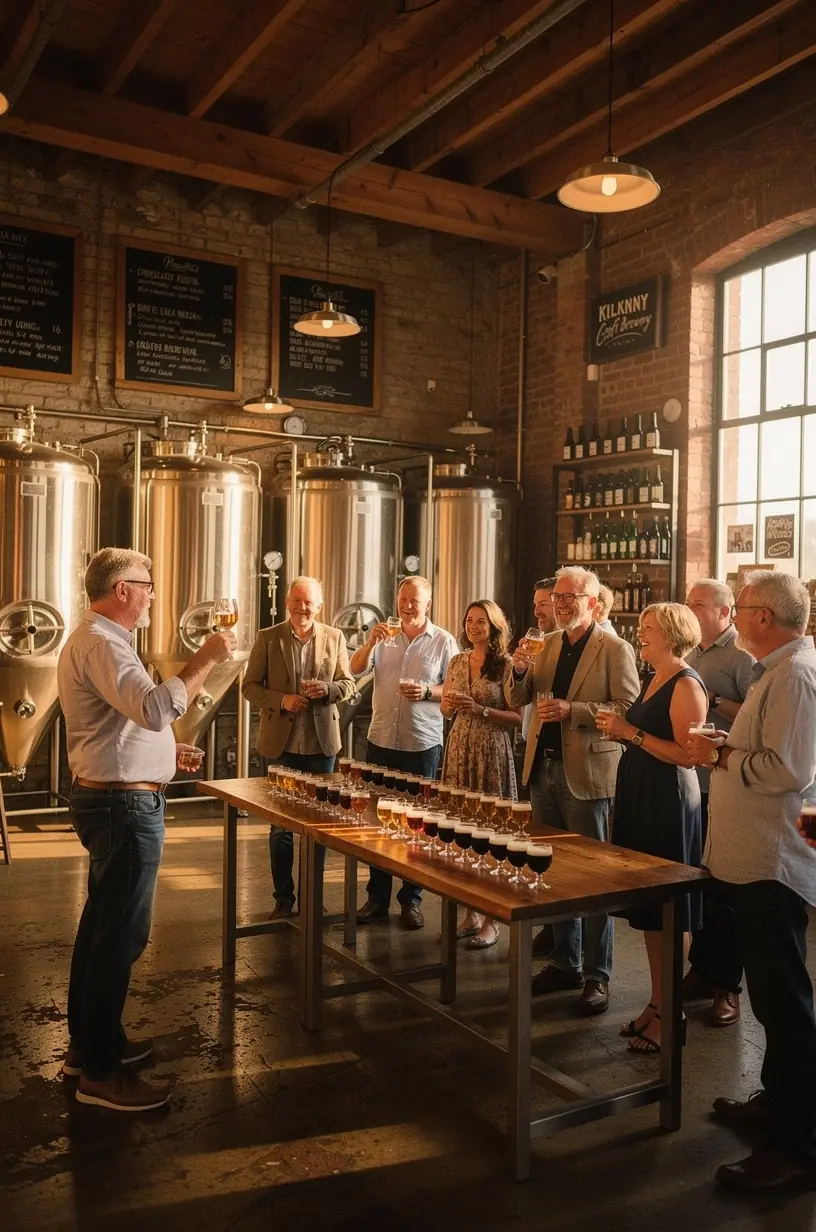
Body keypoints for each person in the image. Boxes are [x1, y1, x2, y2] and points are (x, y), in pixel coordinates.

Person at [58, 548, 236, 1112]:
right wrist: (205, 657)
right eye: (148, 584)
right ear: (122, 590)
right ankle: (102, 1077)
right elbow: (156, 707)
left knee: (98, 927)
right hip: (123, 810)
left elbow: (128, 721)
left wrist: (164, 750)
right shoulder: (105, 643)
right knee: (120, 937)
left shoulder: (101, 642)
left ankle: (90, 1048)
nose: (155, 594)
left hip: (113, 799)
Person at [687, 571, 816, 1196]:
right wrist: (730, 744)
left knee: (786, 1005)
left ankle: (799, 1147)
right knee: (770, 999)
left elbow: (788, 770)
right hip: (751, 857)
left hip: (773, 862)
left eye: (740, 608)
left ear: (764, 616)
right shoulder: (777, 669)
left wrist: (721, 755)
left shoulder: (793, 675)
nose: (735, 618)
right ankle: (778, 1104)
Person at [508, 566, 640, 1016]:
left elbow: (627, 707)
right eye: (557, 597)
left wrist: (574, 710)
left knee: (595, 878)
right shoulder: (545, 644)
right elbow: (518, 699)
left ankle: (596, 975)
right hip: (542, 773)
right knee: (553, 872)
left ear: (593, 602)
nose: (561, 604)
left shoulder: (614, 648)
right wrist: (520, 671)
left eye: (571, 597)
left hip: (586, 775)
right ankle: (564, 963)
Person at [596, 603, 708, 1053]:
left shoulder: (686, 683)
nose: (639, 635)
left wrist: (632, 734)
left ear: (672, 634)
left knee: (670, 910)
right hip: (644, 794)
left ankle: (671, 1011)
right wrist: (625, 733)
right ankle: (656, 1003)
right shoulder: (654, 677)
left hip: (669, 801)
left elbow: (690, 755)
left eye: (647, 629)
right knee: (650, 912)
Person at [242, 576, 356, 917]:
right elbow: (249, 686)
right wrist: (282, 700)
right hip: (283, 746)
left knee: (318, 827)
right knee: (281, 829)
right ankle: (283, 899)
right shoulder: (268, 637)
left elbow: (348, 684)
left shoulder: (334, 637)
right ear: (287, 601)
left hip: (322, 748)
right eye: (296, 600)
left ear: (319, 606)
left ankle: (311, 897)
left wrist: (329, 690)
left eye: (308, 602)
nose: (301, 607)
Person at [349, 576, 457, 929]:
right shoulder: (384, 637)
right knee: (378, 823)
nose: (407, 606)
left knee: (416, 826)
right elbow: (354, 669)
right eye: (403, 600)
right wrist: (369, 643)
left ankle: (411, 900)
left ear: (428, 604)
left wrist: (428, 692)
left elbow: (454, 689)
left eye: (415, 601)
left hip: (421, 743)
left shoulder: (443, 641)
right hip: (381, 739)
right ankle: (377, 898)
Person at [682, 579, 754, 1026]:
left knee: (729, 894)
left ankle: (729, 987)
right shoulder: (691, 651)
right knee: (703, 884)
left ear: (726, 612)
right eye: (687, 603)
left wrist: (715, 700)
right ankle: (703, 971)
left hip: (726, 782)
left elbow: (756, 713)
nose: (690, 610)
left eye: (698, 604)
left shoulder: (742, 657)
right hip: (693, 779)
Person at [441, 600, 522, 948]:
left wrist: (482, 710)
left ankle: (492, 919)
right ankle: (471, 912)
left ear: (494, 627)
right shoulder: (457, 660)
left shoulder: (506, 665)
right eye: (469, 620)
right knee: (463, 834)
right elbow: (445, 707)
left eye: (481, 621)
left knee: (492, 835)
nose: (474, 626)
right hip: (459, 746)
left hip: (491, 749)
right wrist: (447, 704)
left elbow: (518, 717)